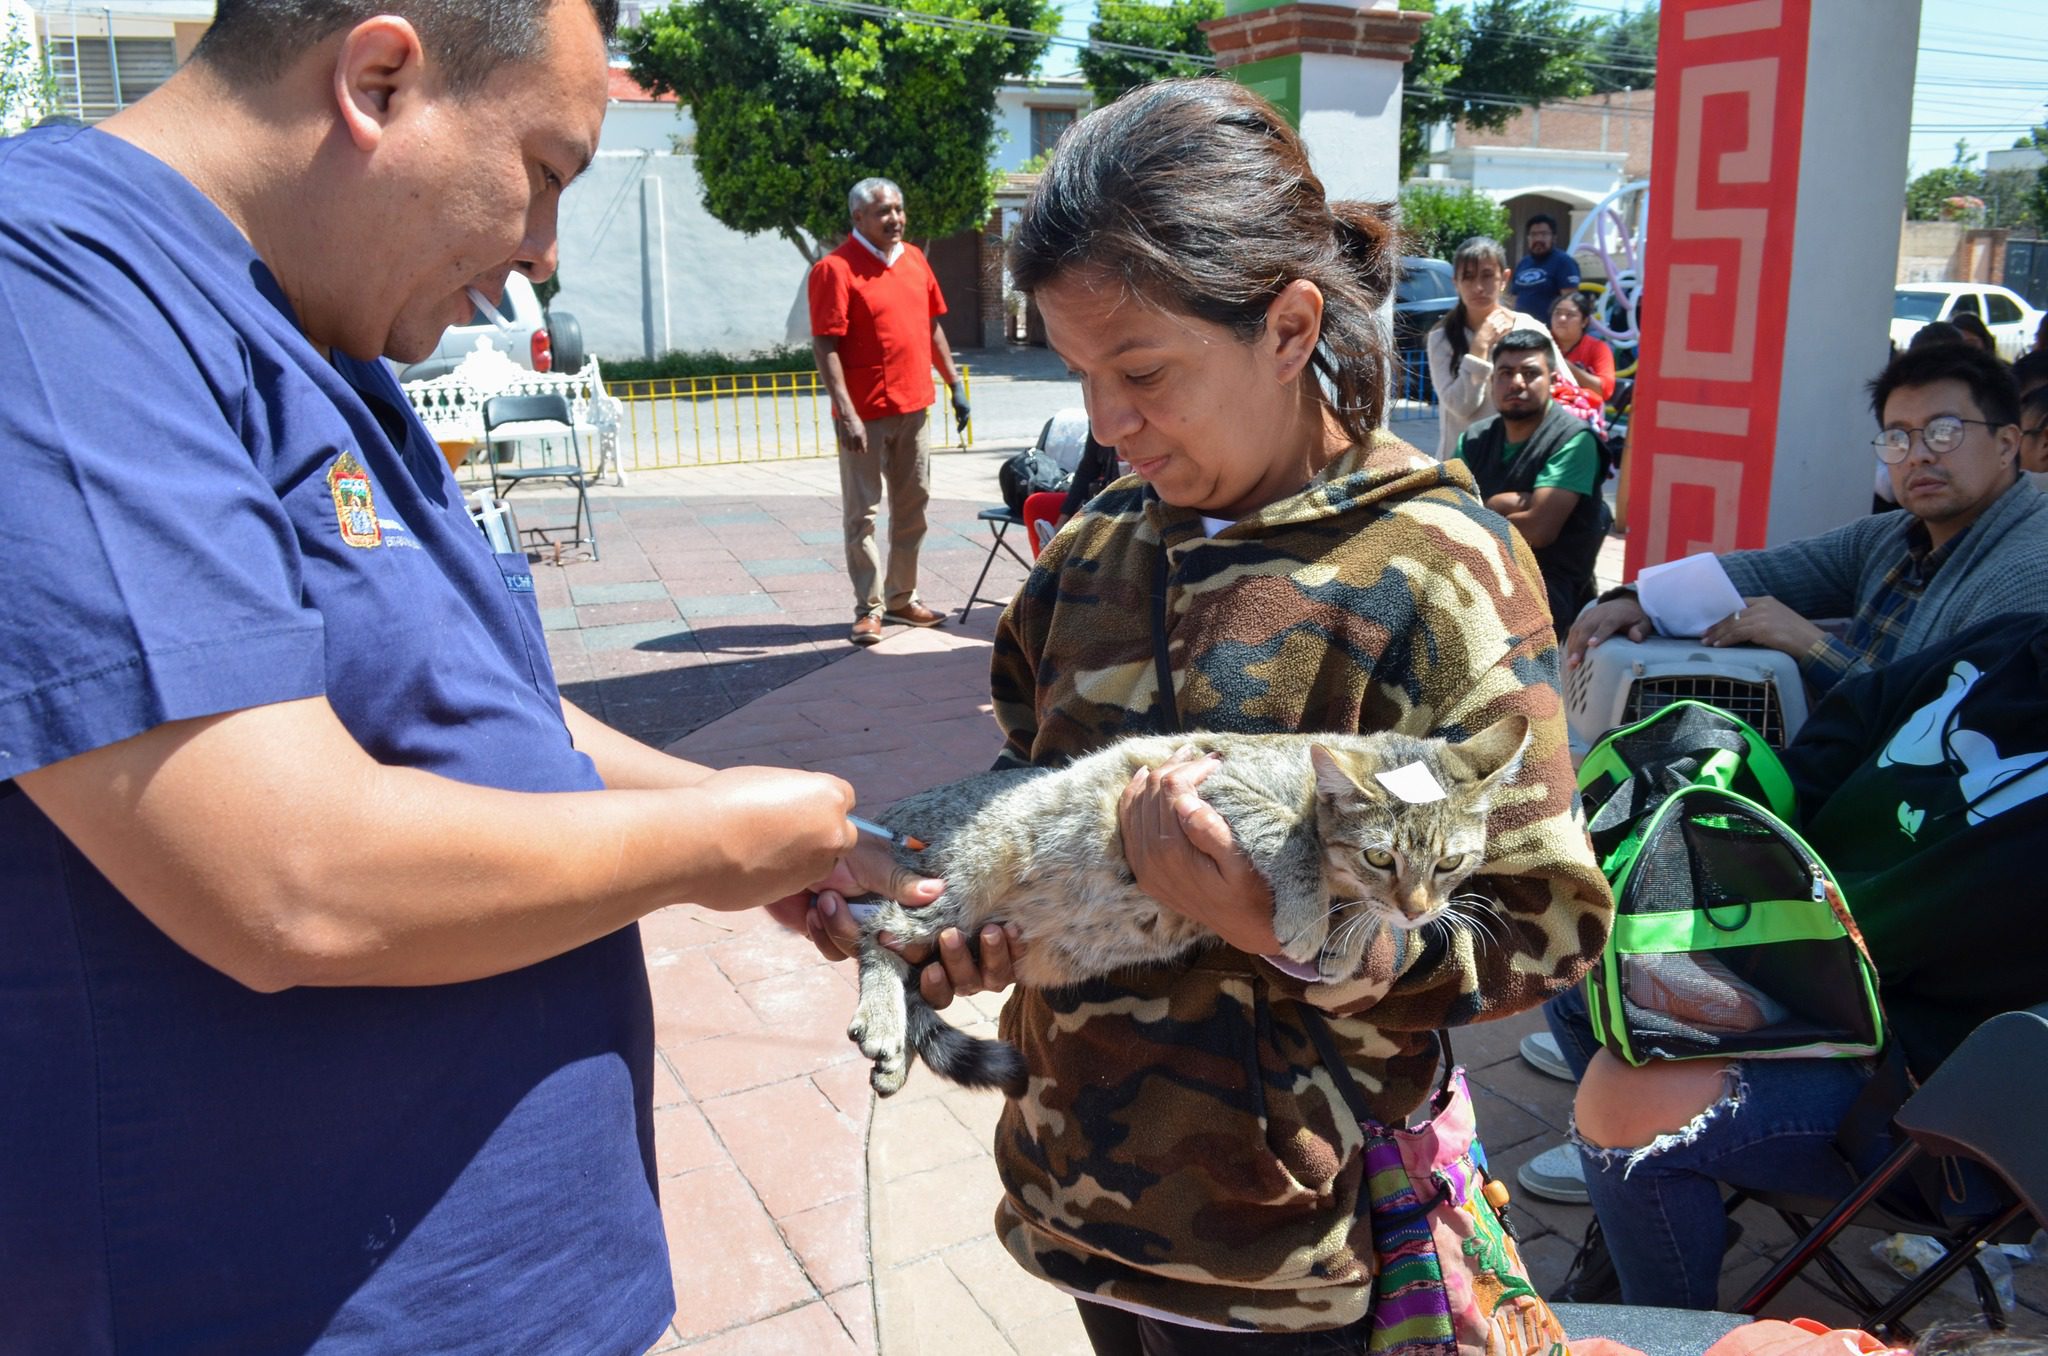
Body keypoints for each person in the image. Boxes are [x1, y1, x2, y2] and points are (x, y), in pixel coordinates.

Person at [0, 3, 929, 1349]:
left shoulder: (324, 321)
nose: (539, 258)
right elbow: (288, 878)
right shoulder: (56, 292)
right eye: (545, 175)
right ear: (379, 79)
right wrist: (711, 841)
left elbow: (479, 703)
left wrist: (765, 821)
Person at [807, 77, 1614, 1352]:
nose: (1107, 425)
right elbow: (1031, 774)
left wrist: (1292, 933)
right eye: (1081, 376)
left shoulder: (1432, 570)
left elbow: (1541, 923)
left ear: (1289, 327)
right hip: (1076, 1191)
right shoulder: (1094, 551)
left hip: (1284, 1246)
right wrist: (976, 912)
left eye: (1140, 371)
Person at [1548, 609, 2048, 1308]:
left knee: (1626, 1093)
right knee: (1576, 959)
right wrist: (1731, 839)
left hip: (1939, 1086)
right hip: (1803, 957)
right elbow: (1842, 730)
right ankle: (1657, 1212)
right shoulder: (2012, 638)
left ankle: (1659, 1324)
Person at [1569, 342, 2048, 699]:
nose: (1918, 456)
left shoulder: (2028, 571)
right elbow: (1760, 572)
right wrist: (1639, 598)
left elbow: (1938, 728)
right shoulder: (1892, 536)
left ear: (2007, 444)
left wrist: (1810, 645)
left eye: (1944, 433)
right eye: (1898, 437)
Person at [809, 177, 970, 646]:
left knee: (913, 506)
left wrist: (955, 383)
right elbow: (825, 345)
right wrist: (847, 411)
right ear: (858, 218)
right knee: (863, 515)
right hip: (864, 415)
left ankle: (902, 597)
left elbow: (931, 327)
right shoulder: (834, 270)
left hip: (914, 404)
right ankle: (869, 608)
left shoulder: (916, 261)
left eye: (899, 209)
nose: (895, 219)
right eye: (883, 211)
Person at [1454, 329, 1612, 640]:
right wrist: (1499, 506)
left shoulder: (1574, 440)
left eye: (1530, 373)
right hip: (1476, 573)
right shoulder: (1473, 438)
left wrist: (1481, 511)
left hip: (1545, 586)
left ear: (1553, 381)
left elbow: (1539, 531)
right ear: (1492, 381)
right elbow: (1451, 516)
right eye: (1506, 373)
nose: (1517, 383)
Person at [1426, 234, 1577, 460]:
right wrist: (1480, 347)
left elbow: (1566, 392)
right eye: (1468, 277)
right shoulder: (1441, 338)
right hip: (1461, 468)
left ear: (1504, 278)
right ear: (1455, 282)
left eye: (1487, 276)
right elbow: (1461, 407)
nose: (1478, 287)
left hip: (1521, 463)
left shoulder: (1529, 327)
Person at [1509, 213, 1581, 323]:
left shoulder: (1564, 262)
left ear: (1554, 237)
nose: (1538, 239)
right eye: (1533, 235)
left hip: (1550, 332)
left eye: (1544, 234)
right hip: (1521, 330)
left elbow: (1570, 302)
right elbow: (1513, 299)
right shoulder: (1523, 263)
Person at [1550, 289, 1617, 403]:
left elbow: (1605, 390)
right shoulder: (1539, 341)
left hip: (1581, 413)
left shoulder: (1598, 348)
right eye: (1557, 313)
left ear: (1584, 322)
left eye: (1570, 315)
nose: (1561, 319)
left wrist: (1565, 366)